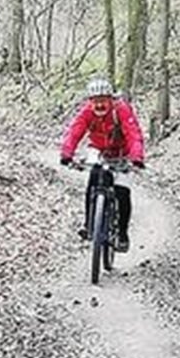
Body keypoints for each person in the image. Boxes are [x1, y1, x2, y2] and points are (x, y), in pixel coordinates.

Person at [59, 77, 145, 251]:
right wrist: (67, 153)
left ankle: (122, 233)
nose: (99, 105)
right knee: (93, 182)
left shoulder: (121, 110)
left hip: (122, 152)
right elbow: (75, 132)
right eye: (95, 102)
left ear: (110, 99)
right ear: (90, 102)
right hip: (98, 150)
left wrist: (136, 157)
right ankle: (89, 225)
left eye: (103, 101)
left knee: (122, 192)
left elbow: (133, 134)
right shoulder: (87, 112)